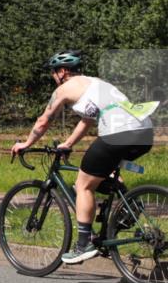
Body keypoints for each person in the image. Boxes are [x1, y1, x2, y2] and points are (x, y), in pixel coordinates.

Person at [10, 50, 156, 264]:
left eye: (53, 72)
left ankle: (83, 245)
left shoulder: (64, 89)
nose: (53, 77)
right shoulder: (95, 83)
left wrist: (26, 144)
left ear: (62, 71)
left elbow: (43, 121)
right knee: (106, 171)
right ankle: (129, 206)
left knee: (82, 185)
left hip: (118, 132)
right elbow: (88, 120)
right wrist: (68, 143)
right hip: (144, 131)